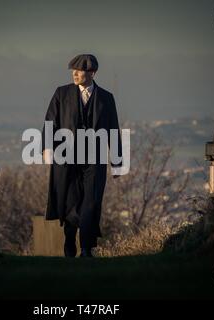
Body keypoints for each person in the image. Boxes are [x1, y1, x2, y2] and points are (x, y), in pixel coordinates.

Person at [41, 54, 122, 258]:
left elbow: (114, 129)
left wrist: (118, 162)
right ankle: (70, 239)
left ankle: (86, 248)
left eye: (80, 70)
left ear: (92, 73)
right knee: (71, 204)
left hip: (95, 160)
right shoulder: (61, 93)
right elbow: (50, 121)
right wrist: (47, 148)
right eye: (73, 70)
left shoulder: (106, 97)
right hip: (66, 158)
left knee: (91, 203)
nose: (75, 74)